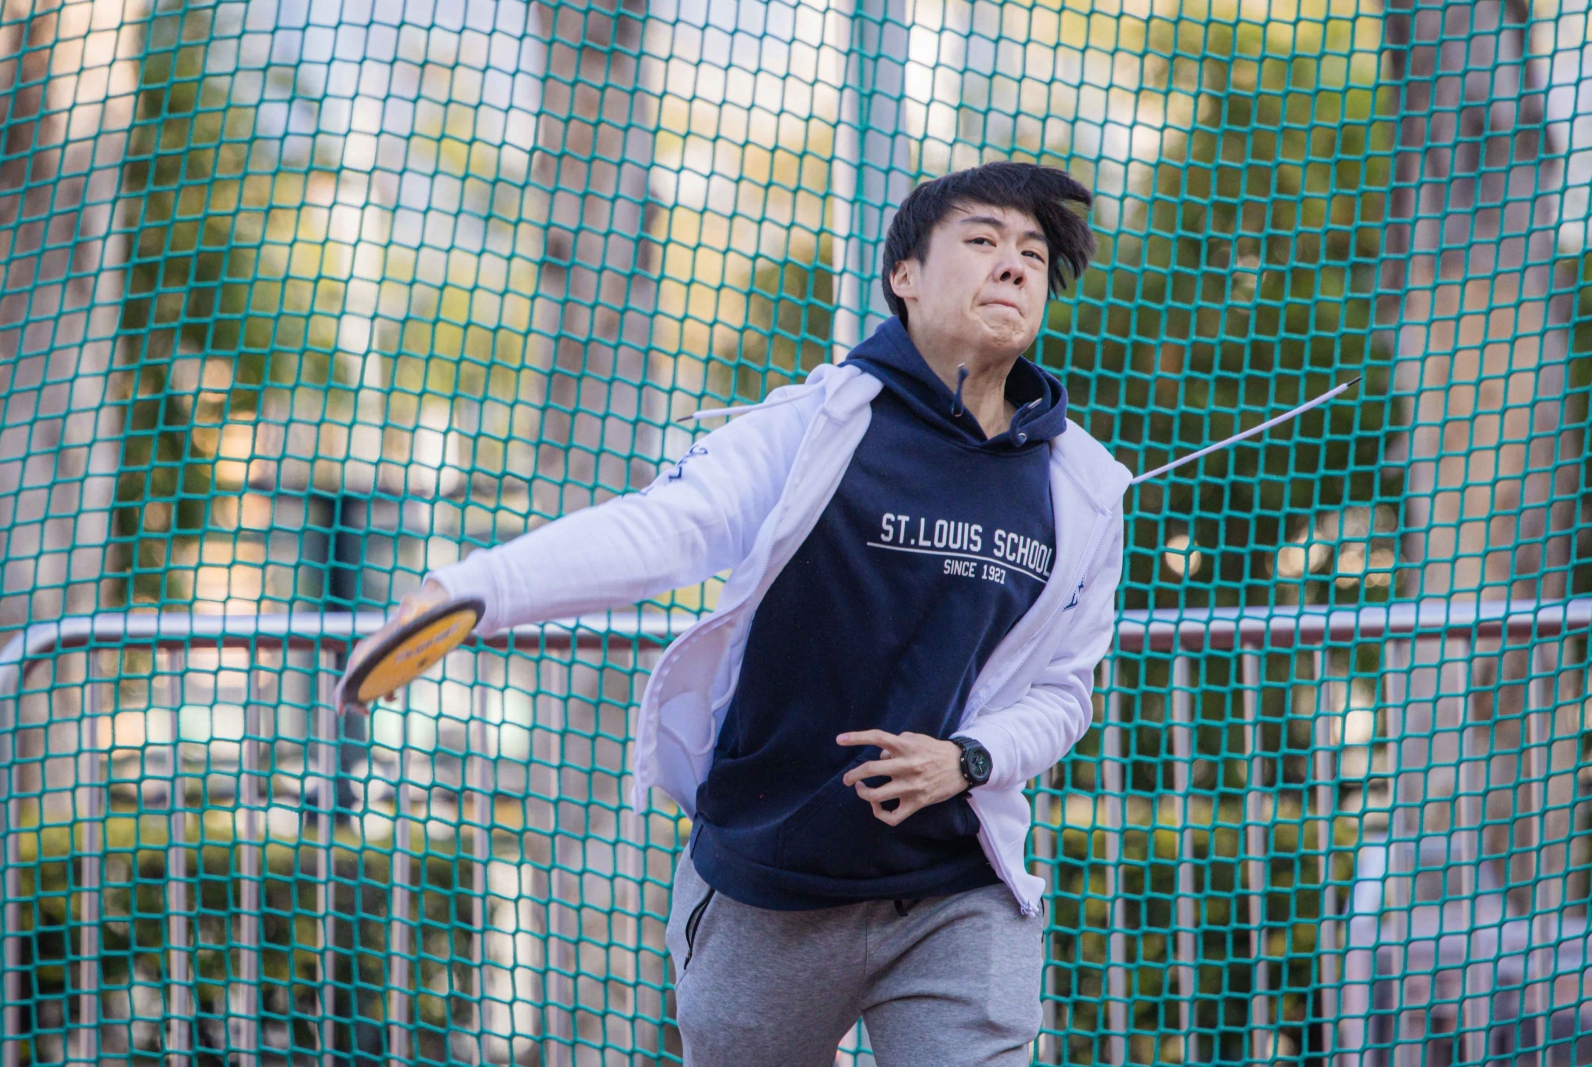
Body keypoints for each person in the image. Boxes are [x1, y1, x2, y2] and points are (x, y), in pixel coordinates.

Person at [347, 161, 1130, 1066]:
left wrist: (970, 758)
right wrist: (476, 587)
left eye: (1032, 252)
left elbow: (1063, 689)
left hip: (958, 891)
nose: (1015, 264)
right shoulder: (810, 426)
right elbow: (663, 527)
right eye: (983, 239)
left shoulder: (1082, 486)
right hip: (770, 882)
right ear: (905, 275)